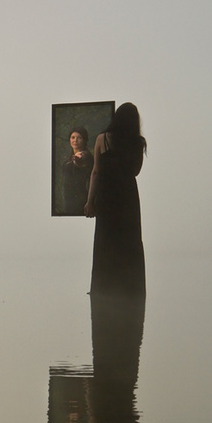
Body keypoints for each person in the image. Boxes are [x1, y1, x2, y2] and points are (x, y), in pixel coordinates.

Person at [84, 102, 146, 296]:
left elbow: (96, 172)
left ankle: (103, 288)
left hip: (107, 196)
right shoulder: (137, 142)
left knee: (105, 240)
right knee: (129, 240)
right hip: (128, 197)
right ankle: (130, 289)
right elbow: (136, 171)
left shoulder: (102, 139)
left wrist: (90, 201)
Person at [61, 126, 93, 214]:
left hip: (80, 199)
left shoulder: (85, 155)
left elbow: (81, 157)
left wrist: (78, 158)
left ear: (84, 140)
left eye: (79, 138)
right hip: (69, 199)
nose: (75, 140)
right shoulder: (69, 157)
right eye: (73, 137)